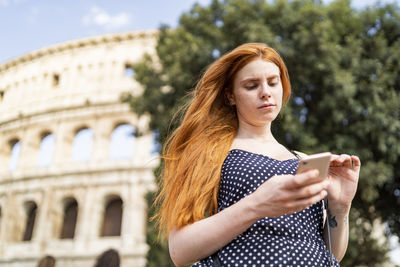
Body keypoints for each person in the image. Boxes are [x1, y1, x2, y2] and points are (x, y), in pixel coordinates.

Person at [153, 43, 361, 267]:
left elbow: (330, 254)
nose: (266, 92)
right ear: (230, 96)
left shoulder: (303, 159)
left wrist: (340, 207)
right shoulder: (209, 155)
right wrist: (257, 205)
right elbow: (180, 250)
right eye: (252, 86)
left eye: (273, 82)